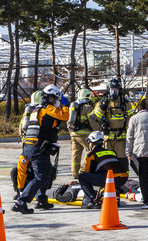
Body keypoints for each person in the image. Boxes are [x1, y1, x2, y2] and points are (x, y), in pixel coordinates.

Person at [12, 85, 69, 214]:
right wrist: (65, 104)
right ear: (50, 98)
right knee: (41, 177)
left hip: (30, 146)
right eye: (56, 100)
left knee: (47, 172)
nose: (57, 102)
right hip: (37, 148)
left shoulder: (36, 109)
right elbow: (65, 116)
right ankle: (22, 201)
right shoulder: (47, 108)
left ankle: (41, 199)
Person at [92, 78, 134, 173]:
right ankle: (107, 179)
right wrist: (102, 109)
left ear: (120, 90)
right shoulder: (102, 103)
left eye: (116, 90)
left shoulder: (125, 103)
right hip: (107, 138)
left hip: (121, 138)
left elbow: (130, 120)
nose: (114, 92)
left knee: (122, 160)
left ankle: (123, 178)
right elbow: (95, 120)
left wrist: (129, 135)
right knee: (106, 160)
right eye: (112, 90)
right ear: (108, 90)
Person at [78, 131, 129, 209]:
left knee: (82, 177)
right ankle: (116, 198)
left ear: (91, 143)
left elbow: (88, 172)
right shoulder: (112, 152)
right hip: (123, 179)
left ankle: (91, 200)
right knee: (113, 173)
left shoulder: (91, 155)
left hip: (110, 179)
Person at [67, 88, 99, 179]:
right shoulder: (88, 107)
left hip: (73, 134)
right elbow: (93, 121)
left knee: (75, 154)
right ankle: (82, 170)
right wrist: (98, 131)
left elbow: (69, 121)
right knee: (90, 152)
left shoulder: (73, 106)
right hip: (84, 134)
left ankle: (75, 174)